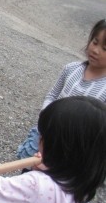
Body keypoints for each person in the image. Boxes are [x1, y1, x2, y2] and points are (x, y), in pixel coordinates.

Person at [17, 19, 106, 160]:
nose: (96, 50)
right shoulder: (71, 69)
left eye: (104, 49)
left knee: (53, 177)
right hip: (46, 132)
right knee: (28, 165)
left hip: (72, 147)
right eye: (95, 42)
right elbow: (52, 95)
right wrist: (46, 115)